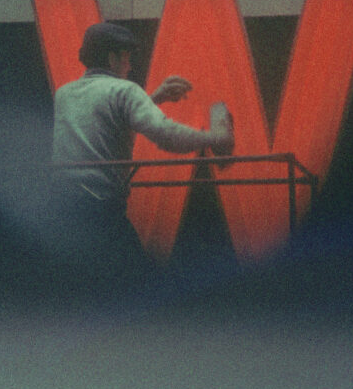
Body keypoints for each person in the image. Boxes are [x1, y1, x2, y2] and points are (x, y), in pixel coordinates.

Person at [46, 21, 234, 292]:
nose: (130, 66)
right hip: (102, 217)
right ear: (112, 58)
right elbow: (166, 136)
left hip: (63, 215)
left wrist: (153, 98)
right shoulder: (125, 90)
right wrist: (217, 138)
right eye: (126, 58)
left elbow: (106, 118)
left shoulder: (65, 95)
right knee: (145, 293)